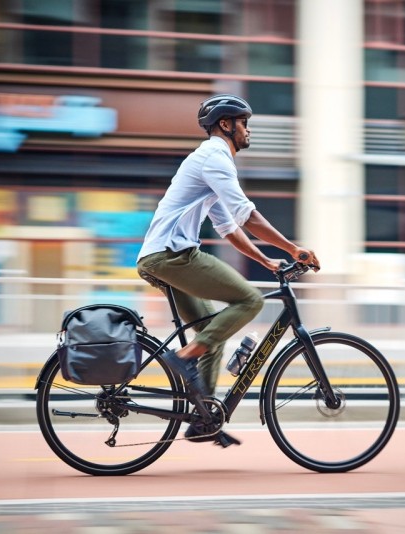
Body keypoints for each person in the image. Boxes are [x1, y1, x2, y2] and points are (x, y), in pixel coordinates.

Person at [137, 94, 319, 446]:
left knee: (211, 333)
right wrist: (293, 248)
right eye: (244, 123)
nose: (247, 130)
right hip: (173, 256)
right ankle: (184, 356)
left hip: (160, 256)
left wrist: (266, 261)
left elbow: (229, 226)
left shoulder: (208, 161)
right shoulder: (216, 157)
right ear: (226, 124)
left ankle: (204, 418)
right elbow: (247, 214)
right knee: (249, 301)